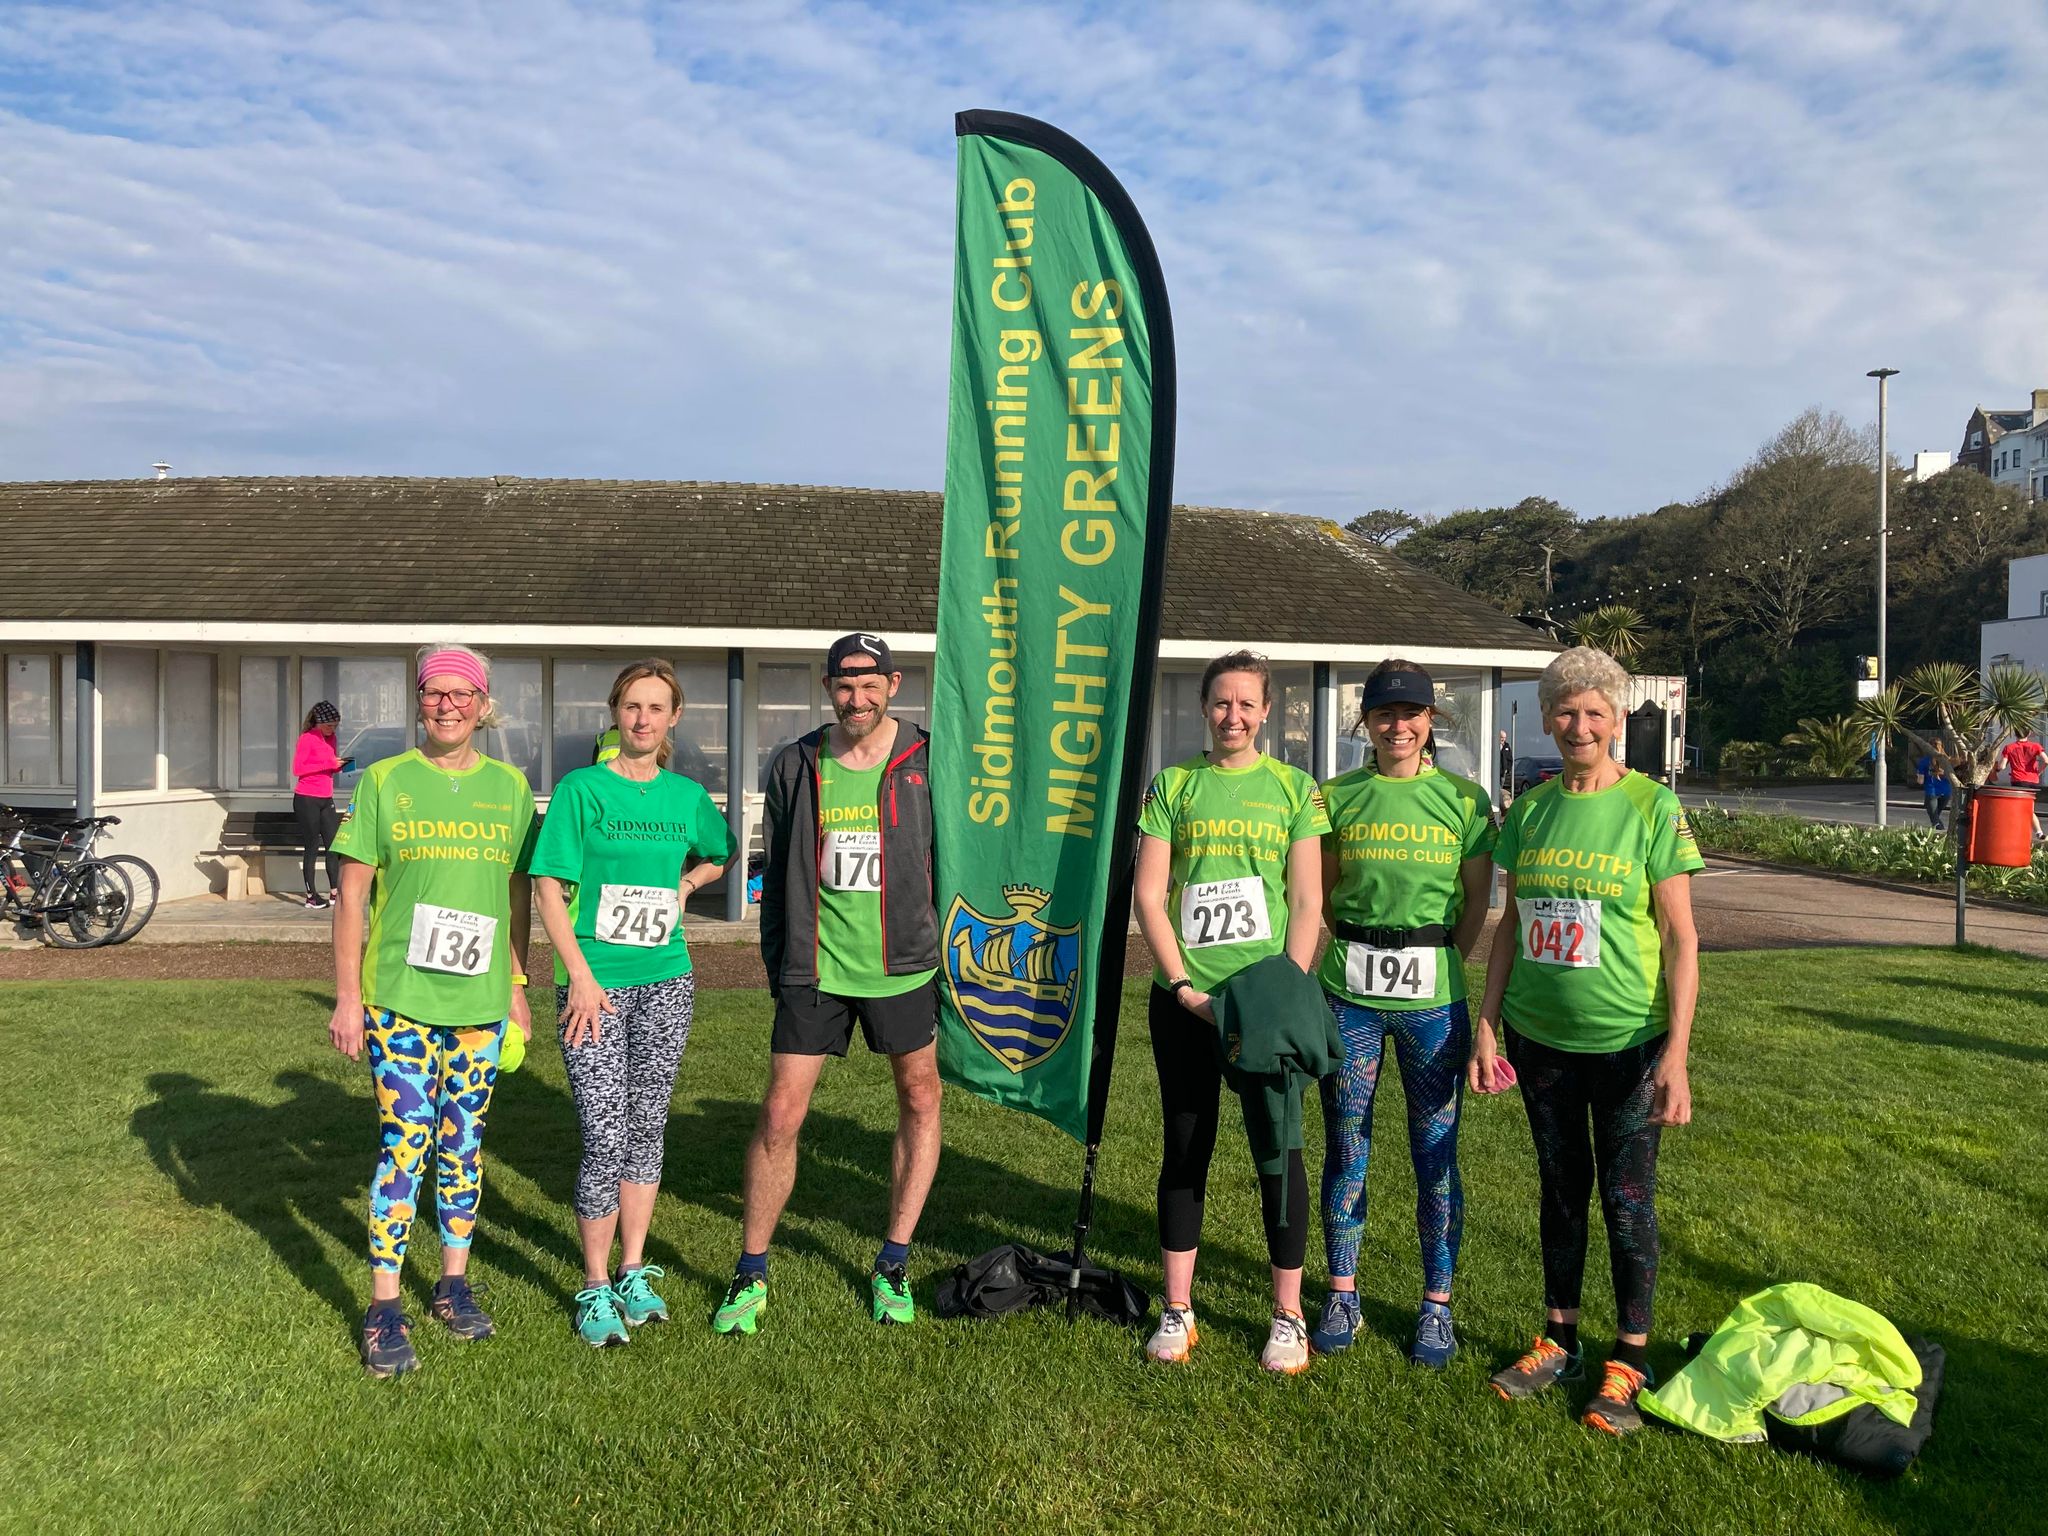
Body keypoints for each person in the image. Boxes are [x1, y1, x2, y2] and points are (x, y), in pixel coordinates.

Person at [1471, 645, 1701, 1435]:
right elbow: (1508, 927)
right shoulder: (1531, 810)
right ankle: (1559, 1336)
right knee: (1561, 1191)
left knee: (1627, 1200)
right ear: (1545, 718)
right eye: (1565, 711)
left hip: (1629, 1044)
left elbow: (1681, 939)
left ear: (1618, 718)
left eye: (1594, 712)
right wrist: (1489, 1020)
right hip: (1540, 1040)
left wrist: (1676, 1054)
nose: (1579, 725)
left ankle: (1629, 1361)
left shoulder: (1650, 808)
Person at [715, 633, 940, 1335]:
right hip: (816, 968)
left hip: (907, 966)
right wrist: (779, 961)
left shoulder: (931, 759)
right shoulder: (796, 763)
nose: (858, 697)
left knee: (919, 1096)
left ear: (894, 684)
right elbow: (776, 875)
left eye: (871, 684)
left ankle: (893, 1261)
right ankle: (751, 1272)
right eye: (846, 684)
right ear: (827, 686)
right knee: (780, 1115)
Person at [326, 644, 536, 1378]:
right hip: (401, 1000)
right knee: (404, 1144)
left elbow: (515, 895)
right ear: (419, 702)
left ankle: (452, 1283)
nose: (446, 706)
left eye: (460, 695)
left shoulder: (511, 789)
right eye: (433, 694)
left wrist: (516, 985)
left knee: (464, 1144)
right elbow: (351, 896)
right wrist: (348, 998)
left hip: (479, 1004)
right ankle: (385, 1305)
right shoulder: (384, 782)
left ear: (483, 705)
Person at [1132, 650, 1331, 1373]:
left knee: (1279, 1156)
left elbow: (1307, 900)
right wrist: (1185, 988)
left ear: (1267, 710)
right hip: (1186, 1004)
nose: (1234, 716)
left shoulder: (1295, 789)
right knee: (1185, 1149)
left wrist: (1286, 987)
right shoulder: (1174, 786)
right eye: (1222, 703)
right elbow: (1150, 895)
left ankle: (1288, 1314)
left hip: (1265, 1010)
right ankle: (1178, 1309)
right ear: (1203, 708)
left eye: (1247, 704)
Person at [530, 659, 735, 1348]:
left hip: (667, 980)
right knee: (603, 1133)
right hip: (594, 985)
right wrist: (580, 976)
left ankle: (633, 1269)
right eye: (631, 706)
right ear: (615, 714)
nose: (642, 719)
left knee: (646, 1127)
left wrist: (685, 888)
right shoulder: (581, 790)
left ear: (673, 718)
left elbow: (722, 852)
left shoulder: (684, 796)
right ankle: (593, 1283)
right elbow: (549, 889)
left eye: (655, 708)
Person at [1310, 659, 1495, 1367]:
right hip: (1350, 994)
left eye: (1411, 713)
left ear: (1430, 722)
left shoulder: (1464, 801)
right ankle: (1343, 1293)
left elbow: (1476, 901)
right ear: (1367, 721)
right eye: (1385, 714)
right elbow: (1324, 894)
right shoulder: (1336, 797)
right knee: (1346, 1143)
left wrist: (1442, 956)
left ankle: (1435, 1305)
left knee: (1434, 1152)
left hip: (1431, 1004)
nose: (1398, 726)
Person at [292, 701, 352, 909]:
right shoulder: (307, 738)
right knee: (312, 845)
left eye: (335, 726)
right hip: (306, 798)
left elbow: (327, 766)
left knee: (333, 845)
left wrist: (338, 766)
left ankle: (334, 891)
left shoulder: (331, 739)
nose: (332, 730)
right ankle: (311, 896)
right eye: (329, 726)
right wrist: (329, 764)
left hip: (326, 797)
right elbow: (298, 769)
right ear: (318, 722)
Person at [1999, 733, 2044, 840]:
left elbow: (2002, 766)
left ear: (2015, 733)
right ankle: (2038, 832)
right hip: (2033, 780)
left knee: (2019, 807)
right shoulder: (2036, 746)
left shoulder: (2009, 747)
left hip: (2018, 780)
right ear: (2028, 733)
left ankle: (2020, 831)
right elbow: (2046, 760)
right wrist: (2039, 773)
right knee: (2029, 807)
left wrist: (1997, 767)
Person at [1914, 741, 1954, 832]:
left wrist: (1918, 777)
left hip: (1932, 792)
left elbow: (1920, 781)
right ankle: (1937, 835)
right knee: (1936, 816)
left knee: (1935, 820)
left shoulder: (1924, 761)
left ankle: (1941, 835)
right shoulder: (1947, 760)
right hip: (1946, 792)